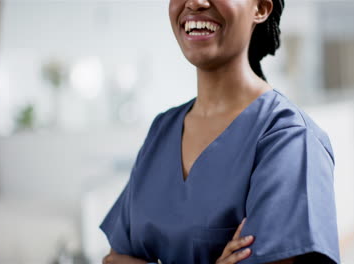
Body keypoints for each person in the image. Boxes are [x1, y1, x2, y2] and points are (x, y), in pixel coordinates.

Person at [100, 0, 341, 263]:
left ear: (260, 8)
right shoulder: (162, 129)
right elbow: (114, 259)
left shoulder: (287, 137)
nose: (195, 2)